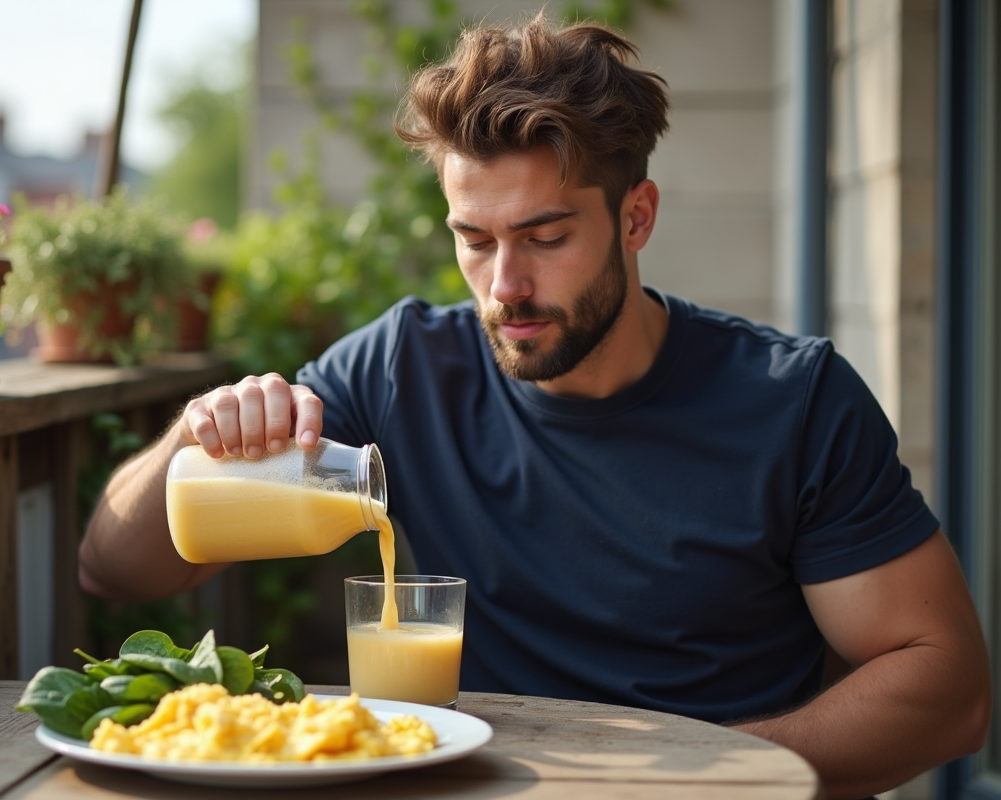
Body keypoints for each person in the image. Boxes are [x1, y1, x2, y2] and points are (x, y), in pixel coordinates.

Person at [79, 13, 990, 799]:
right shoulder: (403, 369)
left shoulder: (793, 402)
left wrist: (693, 779)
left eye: (545, 236)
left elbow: (950, 690)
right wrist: (197, 432)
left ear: (635, 218)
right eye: (474, 240)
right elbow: (112, 567)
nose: (505, 285)